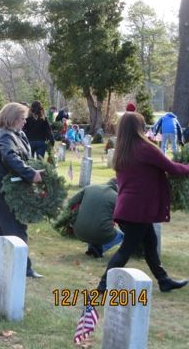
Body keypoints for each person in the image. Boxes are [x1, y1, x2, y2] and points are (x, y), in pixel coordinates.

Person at [96, 112, 189, 293]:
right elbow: (171, 168)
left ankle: (163, 280)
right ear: (138, 128)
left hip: (128, 209)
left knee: (150, 244)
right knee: (126, 250)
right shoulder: (145, 148)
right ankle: (102, 286)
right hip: (137, 211)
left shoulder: (123, 151)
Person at [0, 102, 44, 278]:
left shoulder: (16, 134)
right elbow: (10, 158)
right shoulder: (4, 136)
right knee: (16, 226)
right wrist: (31, 174)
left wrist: (34, 170)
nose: (25, 122)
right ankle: (24, 267)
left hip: (6, 186)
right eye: (22, 118)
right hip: (2, 188)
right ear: (12, 118)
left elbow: (23, 157)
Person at [65, 179, 123, 258]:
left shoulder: (89, 188)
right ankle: (99, 249)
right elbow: (121, 217)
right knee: (121, 235)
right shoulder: (116, 197)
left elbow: (71, 202)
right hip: (100, 231)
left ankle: (92, 249)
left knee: (95, 224)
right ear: (117, 186)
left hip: (79, 231)